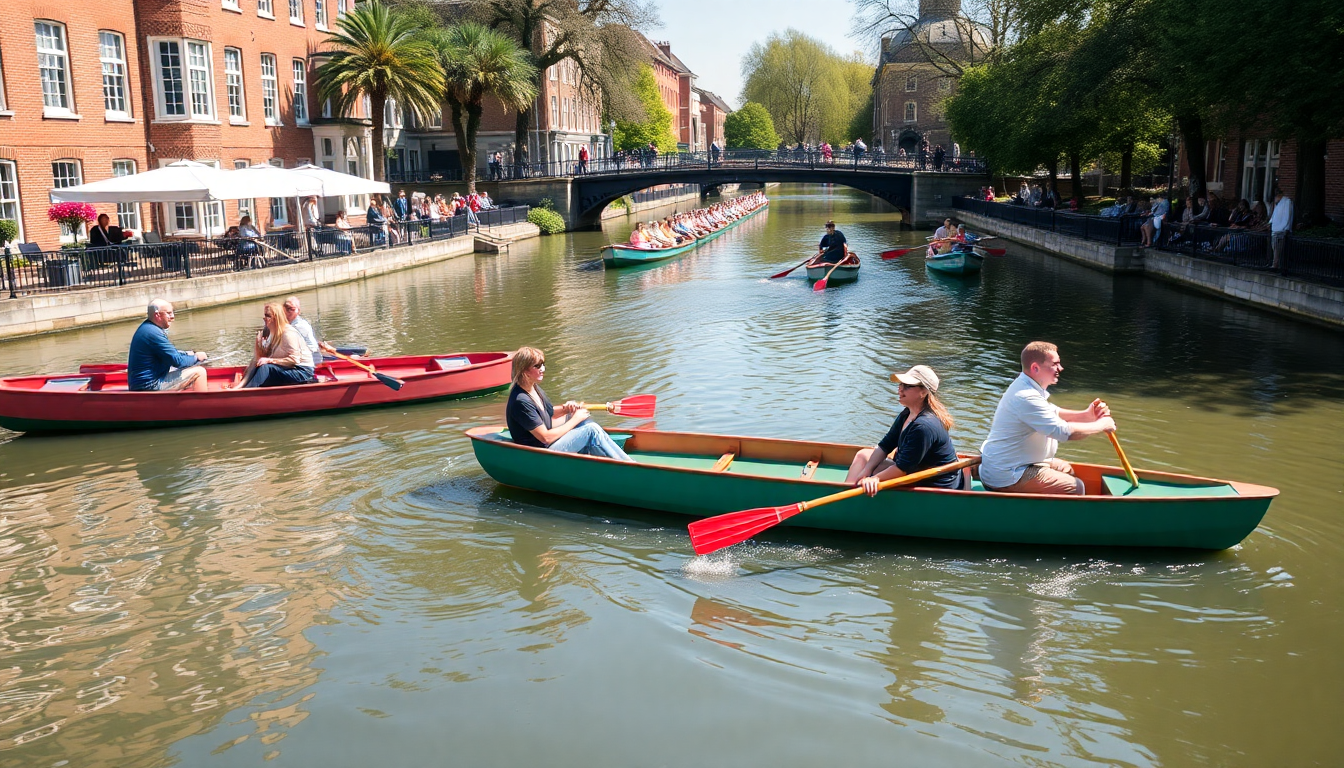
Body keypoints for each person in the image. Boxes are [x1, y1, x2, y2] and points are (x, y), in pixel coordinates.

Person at [979, 341, 1116, 495]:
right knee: (1076, 487)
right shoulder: (1026, 396)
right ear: (1035, 368)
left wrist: (1087, 415)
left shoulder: (1027, 387)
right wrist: (1102, 424)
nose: (1061, 368)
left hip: (1022, 464)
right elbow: (1063, 432)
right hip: (1008, 474)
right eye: (1055, 364)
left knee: (1067, 470)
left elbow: (1053, 412)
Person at [845, 365, 965, 494]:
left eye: (907, 386)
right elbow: (886, 445)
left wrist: (874, 479)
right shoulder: (907, 413)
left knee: (873, 469)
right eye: (901, 384)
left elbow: (902, 470)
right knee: (863, 456)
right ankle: (847, 492)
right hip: (913, 470)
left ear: (923, 392)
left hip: (934, 483)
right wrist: (866, 472)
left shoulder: (924, 426)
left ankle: (848, 501)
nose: (900, 389)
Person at [505, 347, 633, 461]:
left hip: (547, 447)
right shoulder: (520, 401)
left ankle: (611, 461)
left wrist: (566, 409)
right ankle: (628, 466)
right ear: (524, 371)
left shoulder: (533, 388)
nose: (543, 369)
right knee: (590, 430)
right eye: (537, 366)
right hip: (539, 456)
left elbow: (547, 412)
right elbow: (545, 438)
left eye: (543, 364)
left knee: (586, 423)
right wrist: (575, 419)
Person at [128, 299, 208, 392]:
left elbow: (170, 354)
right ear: (157, 315)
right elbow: (178, 361)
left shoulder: (148, 328)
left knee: (188, 364)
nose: (173, 317)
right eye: (169, 313)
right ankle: (201, 404)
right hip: (149, 386)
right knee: (200, 371)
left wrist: (188, 354)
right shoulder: (153, 333)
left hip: (141, 384)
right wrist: (196, 357)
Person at [230, 302, 316, 388]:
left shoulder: (288, 333)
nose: (264, 318)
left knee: (265, 368)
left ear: (275, 317)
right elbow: (258, 360)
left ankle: (247, 392)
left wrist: (269, 360)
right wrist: (258, 350)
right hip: (287, 368)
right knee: (259, 365)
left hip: (302, 371)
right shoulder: (272, 333)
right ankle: (243, 389)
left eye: (267, 315)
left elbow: (294, 360)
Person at [283, 296, 333, 364]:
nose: (288, 311)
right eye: (286, 308)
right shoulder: (289, 324)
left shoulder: (298, 326)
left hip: (311, 359)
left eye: (291, 309)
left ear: (298, 311)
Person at [1269, 187, 1293, 268]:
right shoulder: (1278, 203)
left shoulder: (1287, 202)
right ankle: (1275, 263)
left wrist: (1284, 227)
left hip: (1281, 230)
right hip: (1276, 229)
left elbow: (1287, 216)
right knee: (1275, 247)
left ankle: (1275, 264)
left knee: (1278, 248)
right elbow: (1274, 215)